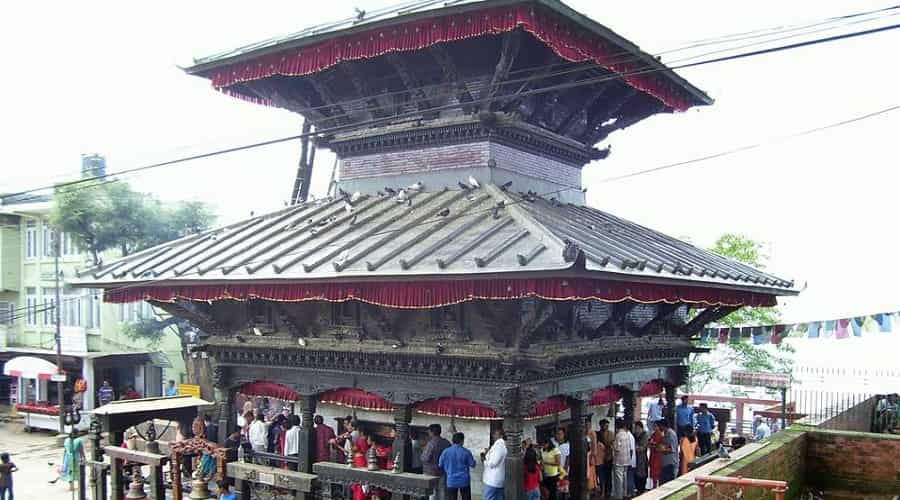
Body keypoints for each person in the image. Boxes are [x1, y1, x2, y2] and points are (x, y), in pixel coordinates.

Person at [438, 433, 476, 500]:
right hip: (464, 481)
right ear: (462, 441)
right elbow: (472, 465)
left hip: (451, 480)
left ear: (453, 440)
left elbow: (440, 464)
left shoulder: (445, 452)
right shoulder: (466, 452)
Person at [421, 424, 451, 500]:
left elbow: (425, 458)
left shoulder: (431, 443)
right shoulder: (447, 443)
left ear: (431, 432)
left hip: (431, 472)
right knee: (442, 492)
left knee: (432, 493)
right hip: (443, 471)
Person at [610, 419, 634, 500]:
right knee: (624, 477)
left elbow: (617, 448)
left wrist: (612, 446)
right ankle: (624, 493)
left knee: (619, 479)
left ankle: (619, 496)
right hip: (626, 460)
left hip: (619, 461)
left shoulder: (618, 435)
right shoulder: (627, 435)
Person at [481, 430, 506, 500]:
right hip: (497, 479)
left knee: (489, 497)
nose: (493, 436)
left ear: (501, 436)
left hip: (493, 480)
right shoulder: (498, 445)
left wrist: (484, 461)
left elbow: (493, 463)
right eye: (494, 434)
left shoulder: (499, 446)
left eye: (496, 434)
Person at [656, 420, 678, 484]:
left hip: (670, 463)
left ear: (662, 426)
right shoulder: (665, 433)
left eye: (659, 426)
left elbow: (672, 449)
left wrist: (662, 450)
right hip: (664, 463)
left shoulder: (671, 434)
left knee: (668, 482)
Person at [597, 419, 614, 497]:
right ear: (601, 426)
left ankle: (608, 491)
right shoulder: (597, 434)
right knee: (601, 475)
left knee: (608, 475)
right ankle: (602, 491)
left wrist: (609, 446)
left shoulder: (611, 434)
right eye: (605, 425)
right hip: (600, 458)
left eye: (607, 426)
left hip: (609, 457)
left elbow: (612, 444)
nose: (606, 427)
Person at [632, 422, 649, 494]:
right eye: (635, 428)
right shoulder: (634, 436)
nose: (636, 430)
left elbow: (642, 448)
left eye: (637, 428)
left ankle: (641, 490)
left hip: (642, 459)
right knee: (636, 475)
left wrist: (635, 448)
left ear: (641, 428)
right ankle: (638, 489)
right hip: (635, 458)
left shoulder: (645, 435)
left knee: (642, 475)